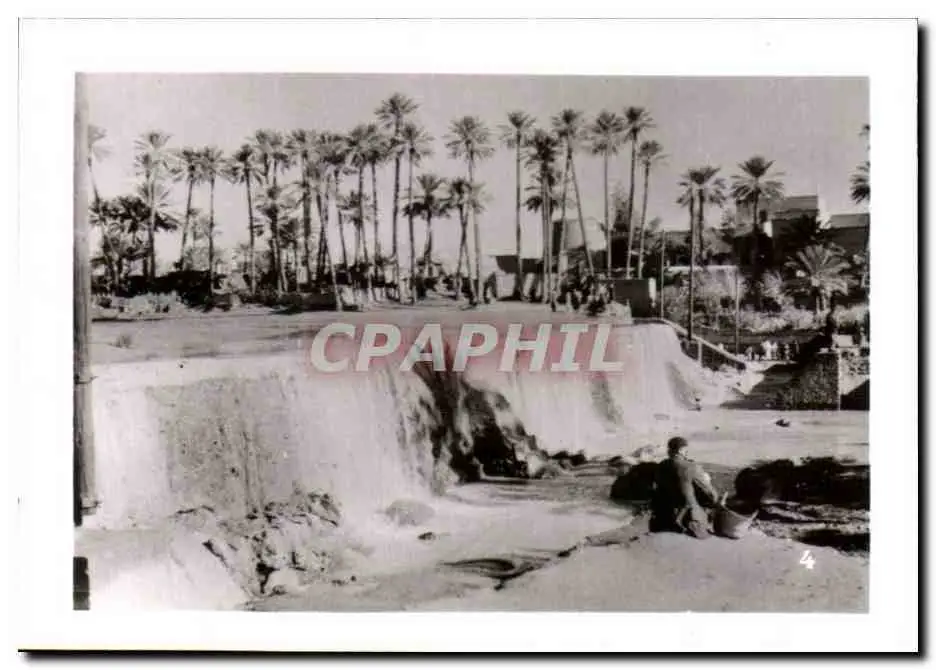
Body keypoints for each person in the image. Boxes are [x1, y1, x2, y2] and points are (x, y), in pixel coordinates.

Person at [649, 437, 720, 539]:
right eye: (686, 450)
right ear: (680, 450)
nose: (687, 452)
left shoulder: (661, 465)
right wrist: (708, 485)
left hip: (663, 514)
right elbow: (711, 495)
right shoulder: (691, 466)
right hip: (687, 518)